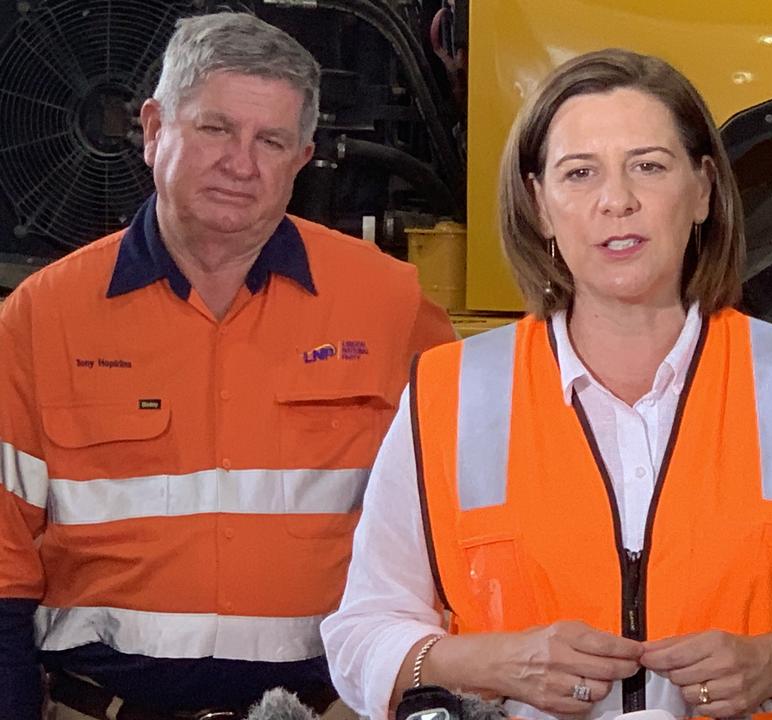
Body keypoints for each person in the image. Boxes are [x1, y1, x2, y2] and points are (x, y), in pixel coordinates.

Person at [321, 48, 772, 720]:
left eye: (649, 166)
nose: (617, 200)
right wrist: (496, 663)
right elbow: (362, 635)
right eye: (579, 173)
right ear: (540, 205)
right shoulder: (454, 393)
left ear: (701, 191)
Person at [0, 12, 455, 720]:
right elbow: (2, 564)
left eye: (270, 140)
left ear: (302, 161)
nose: (241, 164)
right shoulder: (41, 318)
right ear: (152, 129)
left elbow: (458, 534)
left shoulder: (390, 306)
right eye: (215, 129)